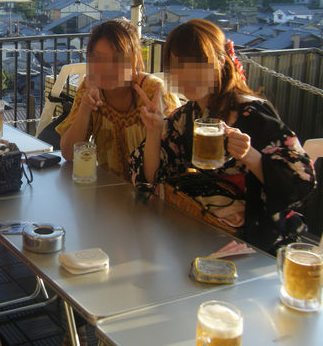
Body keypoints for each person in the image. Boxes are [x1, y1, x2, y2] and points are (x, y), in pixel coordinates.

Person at [130, 19, 316, 253]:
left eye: (198, 64)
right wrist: (154, 132)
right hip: (204, 232)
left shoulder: (252, 114)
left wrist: (249, 155)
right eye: (178, 65)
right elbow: (147, 177)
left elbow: (301, 182)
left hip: (259, 240)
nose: (187, 75)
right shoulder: (185, 117)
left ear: (220, 62)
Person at [57, 18, 179, 180]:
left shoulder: (154, 91)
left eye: (117, 59)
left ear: (134, 60)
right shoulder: (90, 88)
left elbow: (175, 162)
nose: (106, 67)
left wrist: (155, 129)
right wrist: (85, 109)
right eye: (99, 58)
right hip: (109, 189)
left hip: (153, 190)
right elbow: (68, 153)